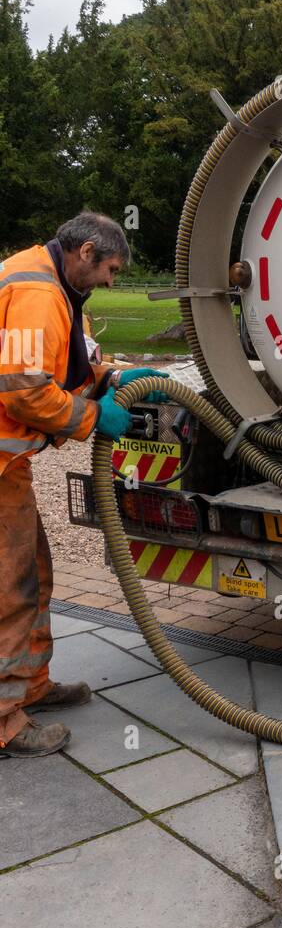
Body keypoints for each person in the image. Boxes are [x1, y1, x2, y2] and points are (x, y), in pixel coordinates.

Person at [0, 212, 168, 756]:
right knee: (10, 590)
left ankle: (31, 686)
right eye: (111, 270)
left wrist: (114, 380)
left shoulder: (56, 288)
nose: (112, 282)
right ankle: (4, 720)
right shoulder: (37, 292)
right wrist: (97, 418)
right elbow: (25, 391)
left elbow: (62, 367)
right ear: (87, 251)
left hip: (8, 469)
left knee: (35, 574)